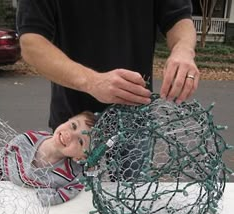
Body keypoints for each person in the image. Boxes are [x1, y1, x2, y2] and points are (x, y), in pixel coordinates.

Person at [17, 1, 199, 131]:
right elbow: (31, 43)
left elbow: (179, 17)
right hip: (73, 124)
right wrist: (92, 82)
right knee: (67, 185)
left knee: (132, 186)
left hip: (133, 125)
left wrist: (183, 49)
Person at [0, 111, 96, 206]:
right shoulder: (25, 141)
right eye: (73, 126)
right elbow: (2, 159)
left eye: (80, 141)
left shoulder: (72, 174)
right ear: (67, 120)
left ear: (79, 157)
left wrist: (43, 197)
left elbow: (72, 190)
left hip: (24, 206)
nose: (69, 135)